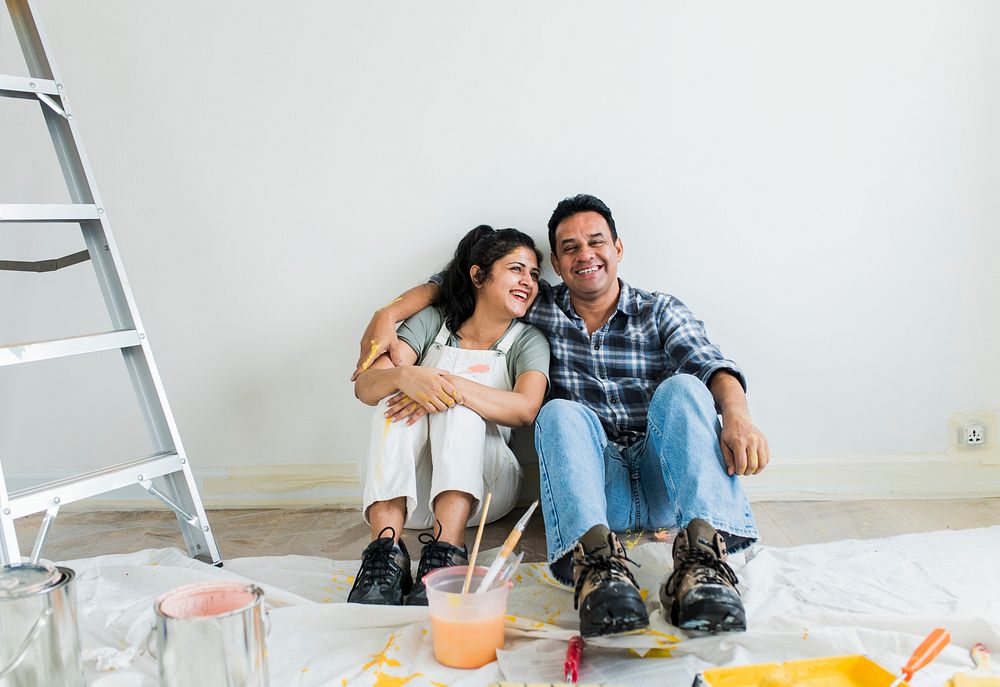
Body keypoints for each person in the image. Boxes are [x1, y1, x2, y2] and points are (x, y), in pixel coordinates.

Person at [352, 195, 769, 637]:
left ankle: (703, 562)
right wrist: (388, 315)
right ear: (558, 261)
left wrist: (738, 417)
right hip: (595, 490)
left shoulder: (659, 310)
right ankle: (596, 567)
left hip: (663, 479)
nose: (585, 255)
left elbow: (711, 364)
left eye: (596, 242)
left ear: (618, 248)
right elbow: (461, 282)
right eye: (571, 248)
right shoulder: (537, 307)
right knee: (560, 412)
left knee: (685, 386)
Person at [349, 225, 550, 606]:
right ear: (478, 276)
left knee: (460, 412)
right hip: (413, 496)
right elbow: (365, 388)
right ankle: (383, 555)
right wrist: (407, 375)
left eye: (534, 274)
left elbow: (526, 409)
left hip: (486, 489)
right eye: (516, 269)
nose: (529, 282)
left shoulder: (527, 340)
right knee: (392, 410)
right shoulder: (431, 323)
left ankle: (447, 552)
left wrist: (446, 387)